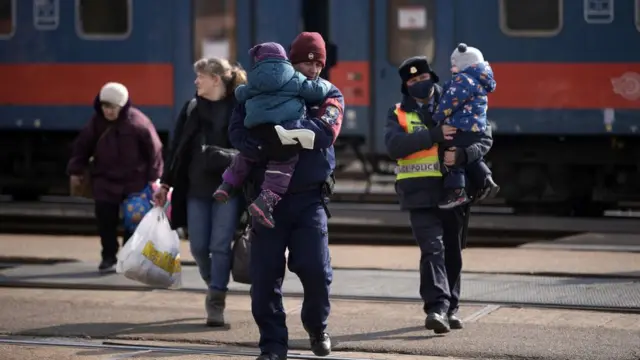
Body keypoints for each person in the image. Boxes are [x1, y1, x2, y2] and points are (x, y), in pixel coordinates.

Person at [228, 32, 342, 360]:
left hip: (309, 200)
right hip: (268, 201)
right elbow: (237, 130)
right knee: (264, 279)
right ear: (290, 62)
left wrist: (286, 135)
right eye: (307, 61)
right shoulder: (261, 89)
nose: (313, 68)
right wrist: (261, 143)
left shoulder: (327, 93)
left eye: (319, 62)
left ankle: (317, 327)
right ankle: (273, 346)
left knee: (316, 271)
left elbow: (326, 133)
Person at [384, 56, 494, 334]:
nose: (419, 84)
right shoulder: (397, 112)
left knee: (452, 252)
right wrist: (433, 134)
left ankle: (451, 308)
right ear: (405, 86)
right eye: (412, 81)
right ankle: (436, 308)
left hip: (454, 191)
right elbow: (395, 146)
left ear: (432, 77)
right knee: (432, 249)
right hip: (418, 192)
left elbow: (484, 137)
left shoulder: (458, 101)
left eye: (422, 78)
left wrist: (463, 154)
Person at [152, 57, 247, 327]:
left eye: (200, 76)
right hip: (195, 188)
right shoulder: (192, 107)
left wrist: (220, 156)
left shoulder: (239, 109)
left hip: (228, 188)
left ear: (215, 79)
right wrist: (165, 184)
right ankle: (213, 281)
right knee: (198, 246)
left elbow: (250, 150)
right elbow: (177, 150)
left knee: (219, 245)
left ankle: (216, 299)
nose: (196, 81)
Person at [213, 42, 329, 228]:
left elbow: (241, 93)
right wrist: (323, 86)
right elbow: (314, 91)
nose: (314, 69)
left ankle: (227, 185)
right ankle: (265, 202)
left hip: (257, 127)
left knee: (245, 156)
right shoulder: (294, 77)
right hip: (282, 131)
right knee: (283, 165)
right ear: (286, 60)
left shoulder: (254, 79)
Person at [67, 82, 163, 273]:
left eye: (113, 107)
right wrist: (76, 168)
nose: (108, 111)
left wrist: (155, 179)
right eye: (105, 107)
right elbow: (82, 146)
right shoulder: (97, 123)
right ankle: (108, 256)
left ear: (122, 106)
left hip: (133, 181)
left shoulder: (138, 123)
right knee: (105, 220)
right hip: (105, 180)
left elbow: (155, 152)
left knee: (133, 222)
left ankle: (127, 257)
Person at [433, 43, 499, 209]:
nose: (452, 67)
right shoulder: (480, 80)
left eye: (454, 63)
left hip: (461, 126)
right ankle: (486, 180)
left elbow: (450, 101)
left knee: (451, 156)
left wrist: (438, 115)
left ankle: (456, 192)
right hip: (476, 128)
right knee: (473, 157)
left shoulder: (463, 81)